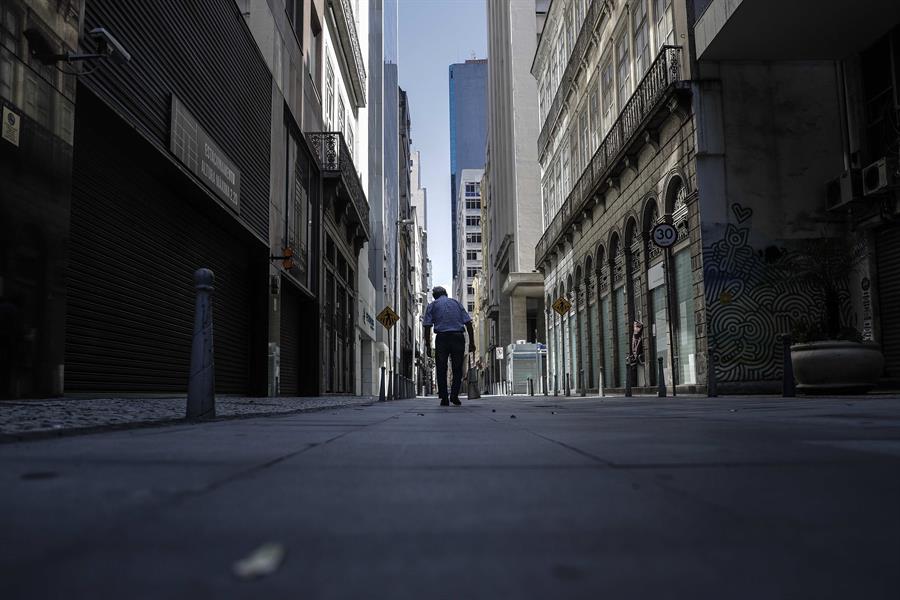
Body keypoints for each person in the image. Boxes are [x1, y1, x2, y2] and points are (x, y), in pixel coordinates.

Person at [423, 286, 476, 406]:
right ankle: (454, 395)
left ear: (435, 296)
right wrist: (472, 343)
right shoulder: (456, 303)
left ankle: (444, 398)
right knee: (457, 368)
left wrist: (428, 346)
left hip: (442, 338)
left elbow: (427, 326)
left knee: (441, 369)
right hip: (458, 337)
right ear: (446, 294)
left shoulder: (432, 305)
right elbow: (468, 323)